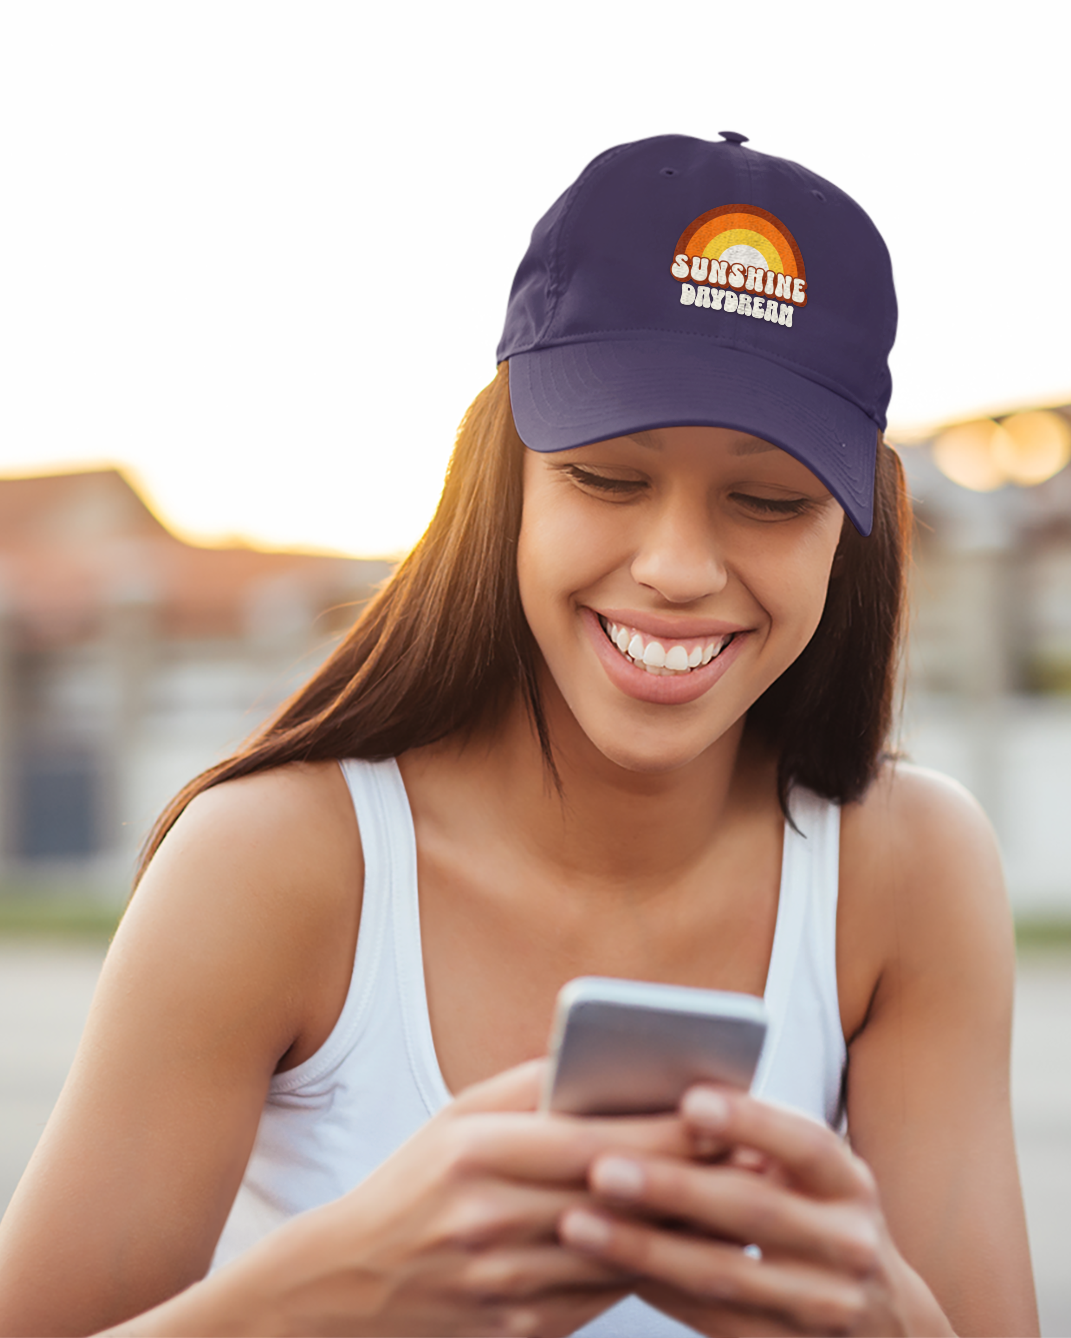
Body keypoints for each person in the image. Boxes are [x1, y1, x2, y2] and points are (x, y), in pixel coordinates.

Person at [0, 132, 1038, 1338]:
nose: (677, 568)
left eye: (769, 500)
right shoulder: (277, 861)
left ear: (853, 529)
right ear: (506, 483)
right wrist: (333, 1293)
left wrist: (886, 1321)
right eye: (607, 477)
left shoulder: (905, 869)